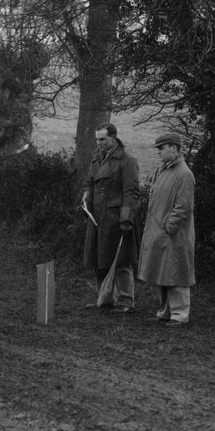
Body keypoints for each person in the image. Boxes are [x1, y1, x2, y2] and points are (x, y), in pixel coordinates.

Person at [138, 132, 196, 327]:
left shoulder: (184, 174)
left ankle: (180, 315)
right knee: (164, 273)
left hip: (174, 234)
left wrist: (169, 227)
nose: (159, 152)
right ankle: (166, 311)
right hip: (162, 232)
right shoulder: (164, 170)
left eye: (161, 148)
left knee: (177, 273)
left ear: (174, 148)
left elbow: (184, 207)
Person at [81, 123, 140, 313]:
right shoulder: (97, 158)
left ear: (114, 138)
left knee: (121, 260)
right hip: (97, 217)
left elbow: (130, 192)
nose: (98, 143)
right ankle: (105, 298)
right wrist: (86, 194)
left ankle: (125, 301)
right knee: (99, 258)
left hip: (116, 218)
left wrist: (126, 219)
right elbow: (89, 182)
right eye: (97, 139)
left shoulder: (127, 160)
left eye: (102, 139)